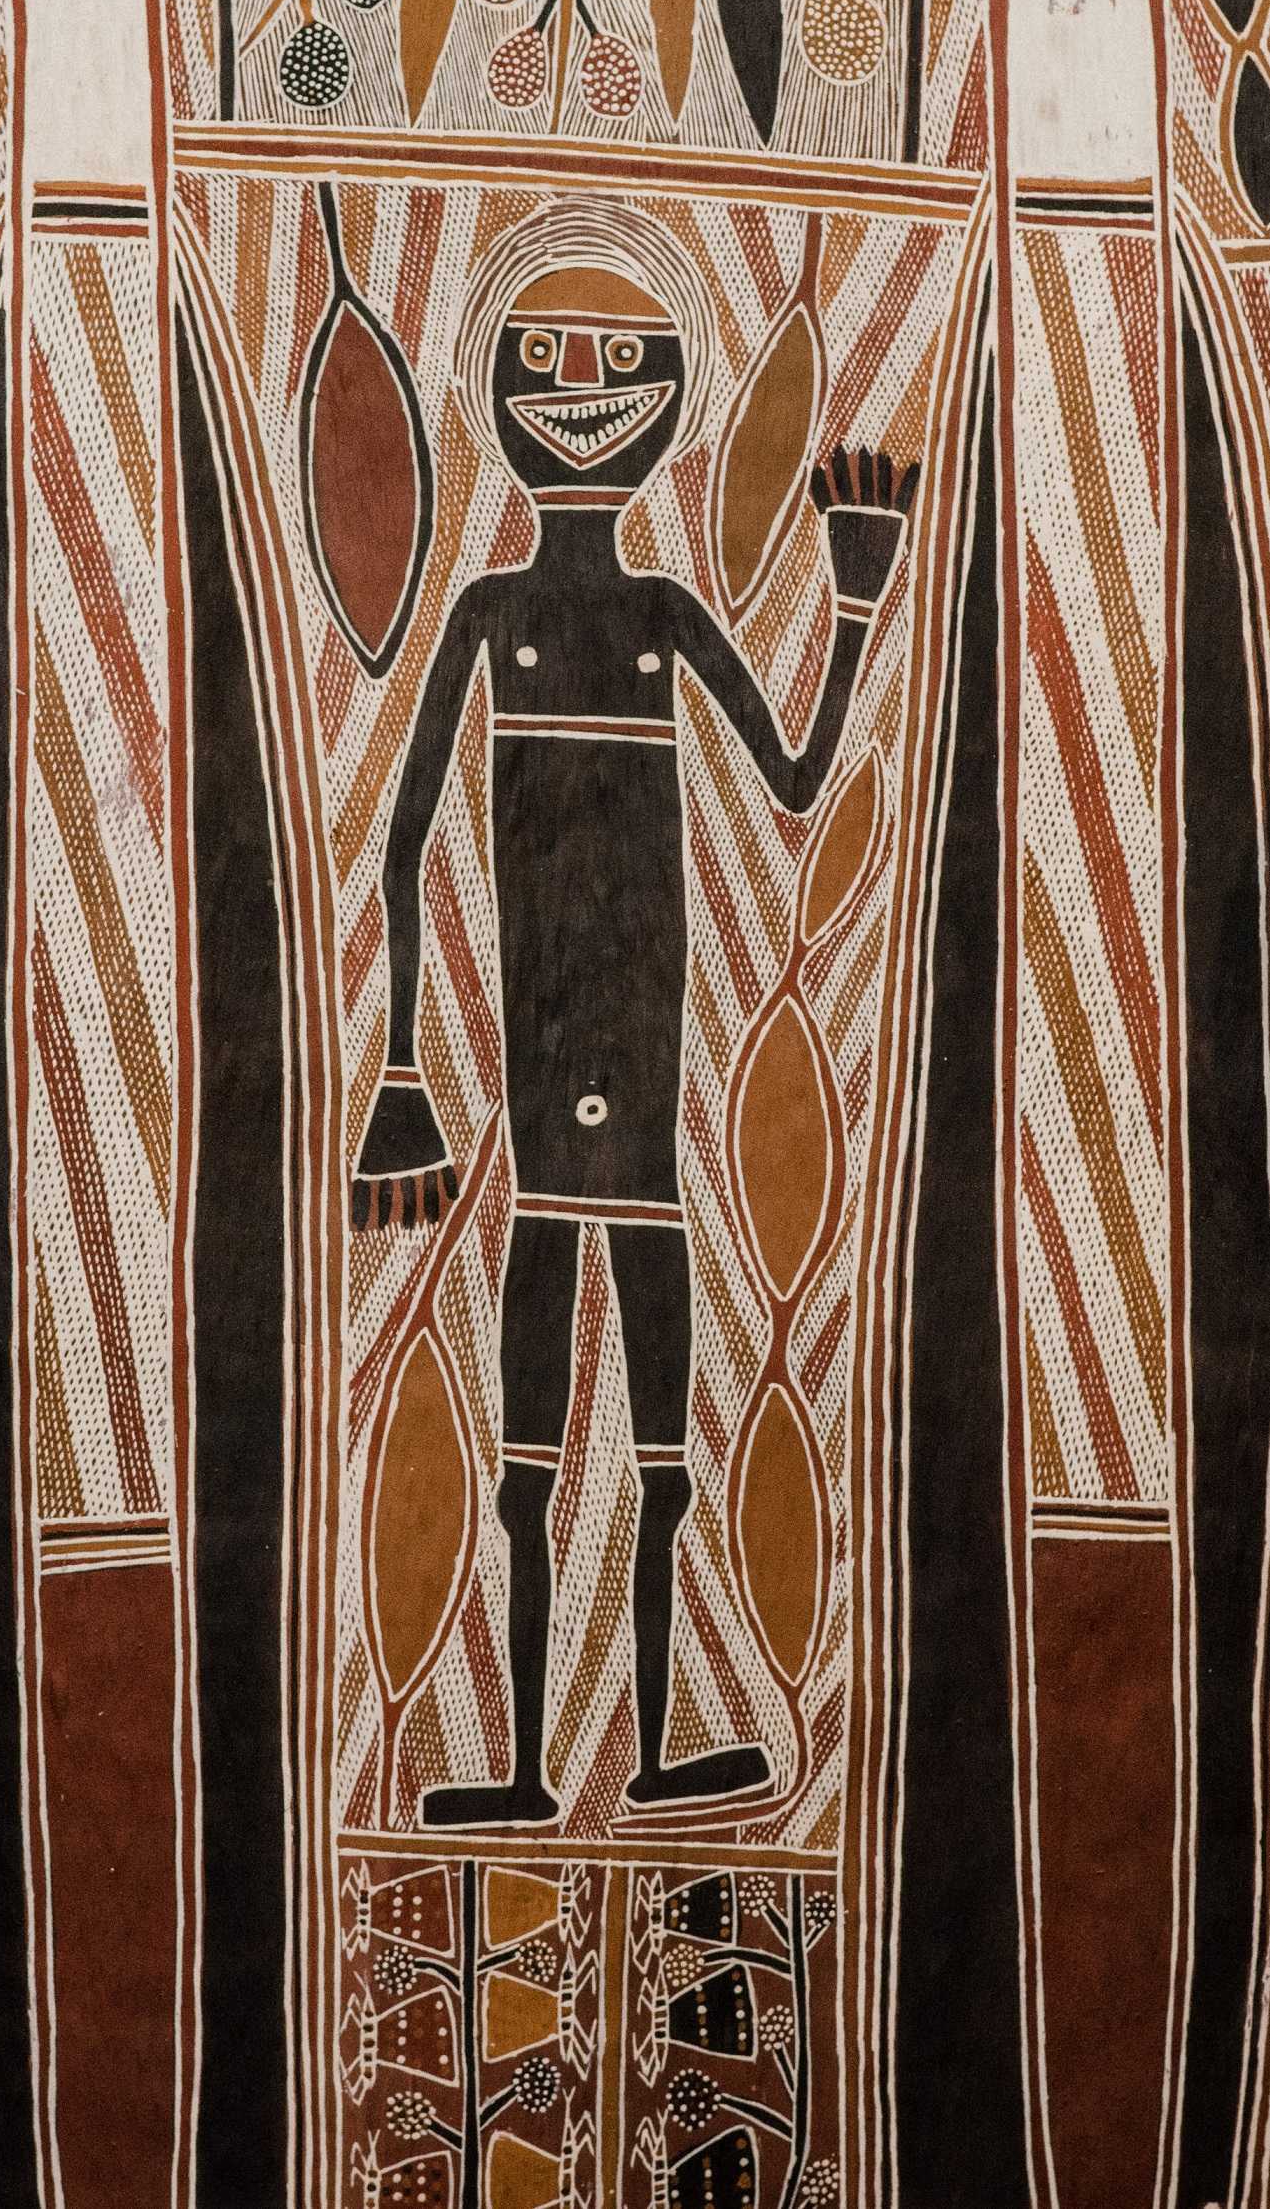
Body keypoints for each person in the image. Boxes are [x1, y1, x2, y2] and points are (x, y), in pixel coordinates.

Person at [352, 202, 910, 1827]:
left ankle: (654, 1751)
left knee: (660, 1457)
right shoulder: (487, 614)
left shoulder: (663, 615)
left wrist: (852, 607)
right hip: (543, 1124)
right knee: (529, 1462)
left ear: (669, 398)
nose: (581, 387)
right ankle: (527, 1765)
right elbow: (400, 833)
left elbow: (794, 774)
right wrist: (400, 1066)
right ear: (495, 390)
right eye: (546, 356)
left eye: (617, 358)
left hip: (642, 1122)